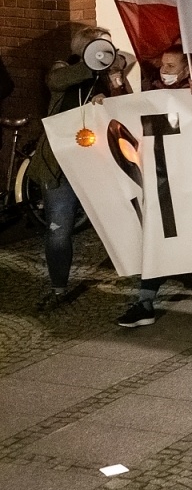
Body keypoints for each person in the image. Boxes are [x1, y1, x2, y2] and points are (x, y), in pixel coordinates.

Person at [36, 27, 129, 313]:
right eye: (98, 47)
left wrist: (115, 85)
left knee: (120, 224)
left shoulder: (110, 73)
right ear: (82, 49)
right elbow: (56, 81)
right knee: (58, 230)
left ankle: (135, 282)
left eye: (108, 47)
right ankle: (58, 286)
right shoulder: (64, 69)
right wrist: (91, 69)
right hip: (61, 166)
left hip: (99, 164)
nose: (106, 52)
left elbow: (126, 104)